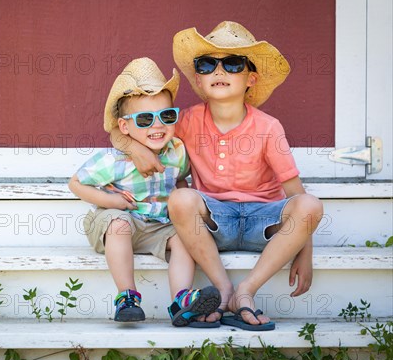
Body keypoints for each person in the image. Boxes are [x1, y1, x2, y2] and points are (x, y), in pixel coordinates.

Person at [110, 22, 323, 331]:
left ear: (250, 79)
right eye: (207, 64)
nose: (218, 72)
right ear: (198, 78)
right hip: (213, 222)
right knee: (181, 197)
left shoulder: (268, 127)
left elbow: (295, 194)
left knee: (311, 205)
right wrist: (136, 147)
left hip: (263, 223)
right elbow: (125, 131)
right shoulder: (186, 121)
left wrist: (305, 252)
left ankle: (245, 292)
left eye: (232, 63)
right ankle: (223, 290)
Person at [69, 57, 221, 325]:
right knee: (119, 225)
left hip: (159, 225)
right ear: (124, 127)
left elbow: (181, 183)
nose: (157, 125)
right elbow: (76, 184)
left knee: (185, 238)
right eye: (145, 119)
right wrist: (111, 201)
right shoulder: (113, 159)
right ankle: (126, 296)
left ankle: (181, 300)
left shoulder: (177, 152)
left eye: (167, 116)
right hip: (117, 221)